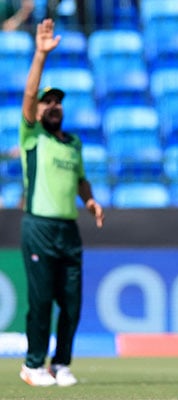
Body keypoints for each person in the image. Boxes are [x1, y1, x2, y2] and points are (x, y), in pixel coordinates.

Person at [18, 18, 104, 387]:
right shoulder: (32, 136)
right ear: (36, 110)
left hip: (68, 228)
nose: (53, 105)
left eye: (57, 102)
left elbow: (81, 179)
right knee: (40, 302)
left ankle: (61, 363)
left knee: (71, 302)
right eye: (47, 101)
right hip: (38, 226)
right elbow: (28, 95)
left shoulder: (73, 144)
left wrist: (90, 201)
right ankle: (33, 365)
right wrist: (39, 54)